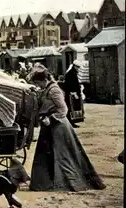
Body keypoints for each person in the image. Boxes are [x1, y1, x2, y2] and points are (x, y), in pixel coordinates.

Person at [28, 63, 106, 192]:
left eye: (38, 83)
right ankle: (47, 182)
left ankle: (66, 182)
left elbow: (63, 109)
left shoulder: (54, 90)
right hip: (49, 126)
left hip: (58, 126)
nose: (38, 85)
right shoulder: (47, 89)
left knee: (62, 156)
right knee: (47, 155)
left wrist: (51, 118)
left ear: (44, 80)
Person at [64, 61, 83, 128]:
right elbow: (70, 85)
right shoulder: (71, 74)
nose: (78, 68)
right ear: (75, 66)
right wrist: (74, 93)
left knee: (72, 108)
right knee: (71, 108)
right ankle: (71, 123)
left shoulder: (72, 73)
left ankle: (72, 122)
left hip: (73, 93)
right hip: (71, 93)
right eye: (78, 67)